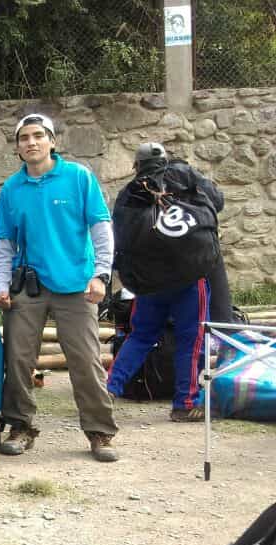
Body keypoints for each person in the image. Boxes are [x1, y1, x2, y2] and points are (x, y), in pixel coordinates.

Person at [0, 113, 120, 462]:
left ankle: (100, 432)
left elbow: (100, 228)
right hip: (28, 286)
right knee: (17, 358)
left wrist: (102, 276)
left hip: (76, 284)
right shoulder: (11, 189)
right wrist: (1, 284)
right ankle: (20, 426)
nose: (31, 143)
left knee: (85, 359)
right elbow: (4, 242)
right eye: (24, 138)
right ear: (18, 147)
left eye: (38, 136)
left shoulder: (79, 178)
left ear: (52, 141)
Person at [108, 142, 223, 422]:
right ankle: (184, 404)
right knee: (191, 339)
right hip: (189, 276)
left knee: (140, 335)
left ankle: (108, 389)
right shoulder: (184, 174)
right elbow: (217, 201)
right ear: (165, 160)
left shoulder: (129, 193)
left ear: (137, 166)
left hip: (150, 283)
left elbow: (118, 238)